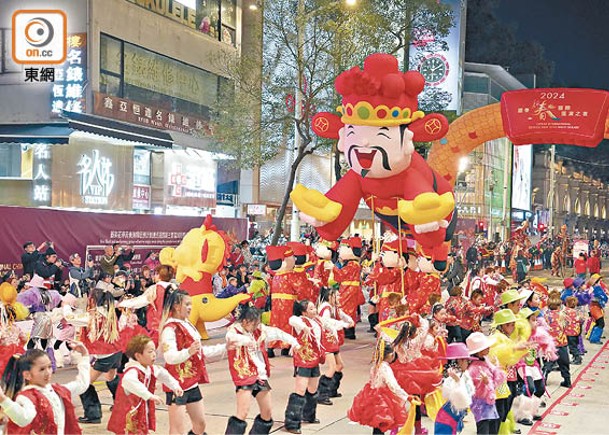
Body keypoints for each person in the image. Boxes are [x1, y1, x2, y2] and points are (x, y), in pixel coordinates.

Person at [224, 305, 299, 435]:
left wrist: (294, 342)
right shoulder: (233, 331)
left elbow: (278, 333)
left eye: (258, 323)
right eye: (254, 323)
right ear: (245, 321)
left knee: (267, 413)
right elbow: (232, 339)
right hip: (244, 375)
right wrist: (247, 340)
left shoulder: (260, 331)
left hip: (259, 375)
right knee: (242, 413)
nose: (257, 327)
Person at [160, 289, 225, 435]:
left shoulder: (187, 324)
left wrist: (226, 348)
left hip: (191, 383)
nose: (190, 307)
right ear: (177, 306)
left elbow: (201, 353)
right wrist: (188, 352)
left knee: (200, 424)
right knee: (177, 429)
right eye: (187, 304)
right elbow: (169, 357)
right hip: (176, 384)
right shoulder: (170, 329)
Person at [0, 343, 90, 435]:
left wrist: (85, 355)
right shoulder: (26, 397)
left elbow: (82, 384)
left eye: (50, 367)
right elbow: (23, 419)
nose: (48, 372)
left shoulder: (57, 391)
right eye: (42, 369)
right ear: (27, 375)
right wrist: (3, 399)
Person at [107, 335, 183, 435]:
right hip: (128, 414)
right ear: (138, 356)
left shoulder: (150, 369)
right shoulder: (132, 372)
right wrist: (149, 395)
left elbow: (163, 374)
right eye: (150, 352)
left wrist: (175, 386)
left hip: (141, 411)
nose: (154, 355)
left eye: (154, 351)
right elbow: (129, 381)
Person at [348, 339, 411, 434]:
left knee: (377, 425)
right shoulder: (385, 368)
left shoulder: (376, 365)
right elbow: (393, 386)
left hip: (371, 397)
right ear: (390, 355)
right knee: (381, 425)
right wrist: (407, 396)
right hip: (382, 401)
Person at [284, 300, 325, 433]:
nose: (315, 310)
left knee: (312, 389)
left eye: (314, 307)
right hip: (303, 359)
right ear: (304, 312)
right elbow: (291, 319)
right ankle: (292, 423)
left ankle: (309, 415)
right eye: (311, 308)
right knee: (300, 390)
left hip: (315, 359)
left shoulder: (317, 321)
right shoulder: (300, 321)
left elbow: (331, 325)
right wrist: (305, 327)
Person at [317, 287, 352, 405]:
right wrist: (344, 324)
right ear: (330, 296)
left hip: (332, 339)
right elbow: (326, 322)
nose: (339, 297)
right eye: (337, 295)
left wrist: (349, 320)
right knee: (332, 367)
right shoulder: (325, 308)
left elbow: (343, 315)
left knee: (340, 365)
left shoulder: (333, 308)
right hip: (326, 340)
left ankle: (331, 389)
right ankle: (321, 394)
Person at [466, 332, 505, 435]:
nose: (489, 348)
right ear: (479, 352)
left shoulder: (485, 360)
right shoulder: (474, 368)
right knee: (484, 428)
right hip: (481, 404)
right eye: (485, 347)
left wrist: (496, 368)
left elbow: (496, 379)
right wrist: (485, 384)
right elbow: (475, 390)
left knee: (493, 427)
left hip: (489, 402)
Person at [434, 343, 475, 435]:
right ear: (459, 361)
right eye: (466, 361)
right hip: (446, 418)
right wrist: (457, 381)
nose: (468, 363)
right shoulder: (451, 380)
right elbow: (460, 400)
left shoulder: (464, 376)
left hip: (453, 417)